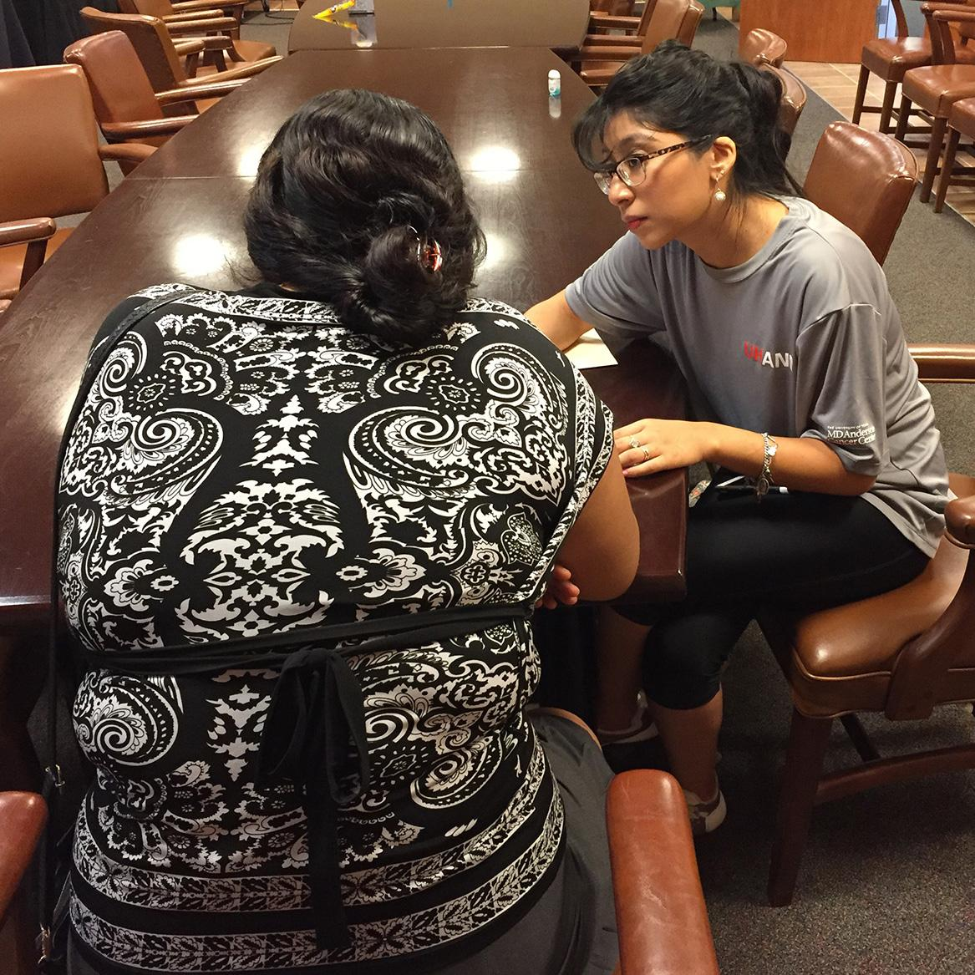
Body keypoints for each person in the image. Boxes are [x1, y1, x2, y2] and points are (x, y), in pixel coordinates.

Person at [58, 89, 638, 975]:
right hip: (459, 922)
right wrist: (487, 578)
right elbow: (610, 574)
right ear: (434, 236)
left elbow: (85, 574)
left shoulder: (143, 335)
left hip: (150, 933)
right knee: (572, 740)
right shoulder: (508, 353)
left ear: (265, 229)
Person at [527, 41, 949, 835]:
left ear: (718, 156)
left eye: (636, 161)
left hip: (877, 510)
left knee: (626, 564)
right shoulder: (664, 242)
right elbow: (554, 320)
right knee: (678, 647)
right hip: (770, 483)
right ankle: (689, 792)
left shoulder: (822, 273)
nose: (618, 190)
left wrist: (711, 440)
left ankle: (615, 733)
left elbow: (854, 467)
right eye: (609, 169)